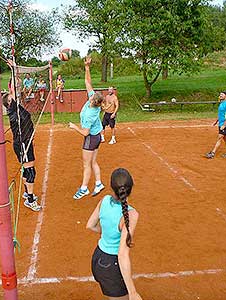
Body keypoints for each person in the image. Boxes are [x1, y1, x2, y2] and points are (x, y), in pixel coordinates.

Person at [87, 168, 142, 300]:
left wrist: (108, 231)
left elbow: (90, 225)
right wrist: (133, 292)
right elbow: (122, 254)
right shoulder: (131, 215)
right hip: (111, 266)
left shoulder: (104, 200)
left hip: (98, 258)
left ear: (112, 187)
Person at [69, 56, 105, 200]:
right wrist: (87, 67)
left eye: (91, 96)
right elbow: (87, 82)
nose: (90, 94)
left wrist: (74, 127)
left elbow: (85, 132)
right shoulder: (93, 100)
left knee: (86, 164)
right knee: (93, 162)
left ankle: (84, 188)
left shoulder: (91, 113)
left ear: (93, 101)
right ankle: (98, 184)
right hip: (96, 137)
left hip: (90, 138)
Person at [2, 92, 42, 212]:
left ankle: (27, 193)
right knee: (30, 172)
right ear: (9, 103)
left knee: (27, 170)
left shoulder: (16, 109)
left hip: (25, 143)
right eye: (11, 99)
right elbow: (25, 120)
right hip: (22, 144)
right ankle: (30, 200)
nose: (14, 100)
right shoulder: (15, 115)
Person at [205, 91, 226, 159]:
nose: (220, 95)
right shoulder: (221, 103)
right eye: (220, 94)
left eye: (222, 94)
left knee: (220, 137)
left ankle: (212, 153)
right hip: (221, 123)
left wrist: (224, 125)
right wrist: (216, 121)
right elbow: (221, 114)